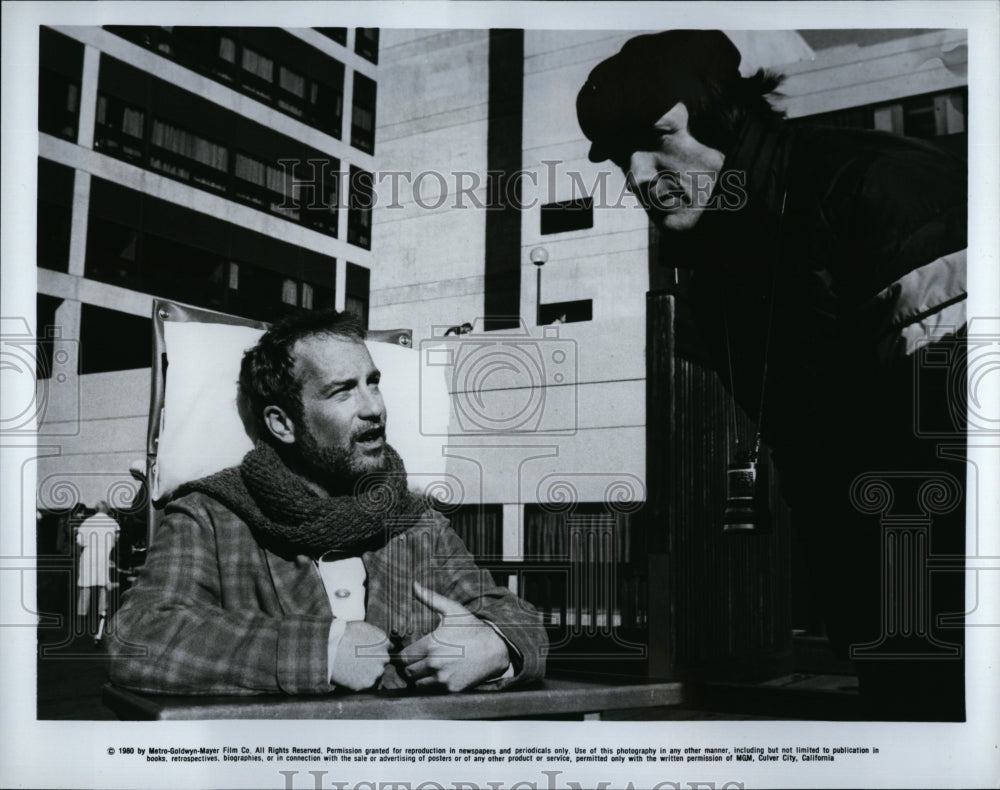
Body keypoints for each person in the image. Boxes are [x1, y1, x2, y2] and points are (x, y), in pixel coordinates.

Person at [577, 30, 967, 719]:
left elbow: (963, 442)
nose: (636, 176)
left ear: (726, 115)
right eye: (617, 160)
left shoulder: (878, 190)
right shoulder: (715, 272)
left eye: (657, 138)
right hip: (887, 616)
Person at [108, 310, 547, 695]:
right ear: (282, 424)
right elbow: (141, 636)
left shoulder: (416, 523)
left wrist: (495, 643)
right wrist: (323, 650)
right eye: (343, 391)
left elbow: (516, 616)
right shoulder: (211, 518)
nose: (373, 407)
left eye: (373, 383)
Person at [75, 501, 120, 640]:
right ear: (107, 510)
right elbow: (117, 538)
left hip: (88, 555)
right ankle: (102, 614)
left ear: (95, 510)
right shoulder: (112, 522)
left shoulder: (87, 521)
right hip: (104, 555)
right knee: (103, 586)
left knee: (85, 586)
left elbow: (80, 541)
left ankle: (81, 619)